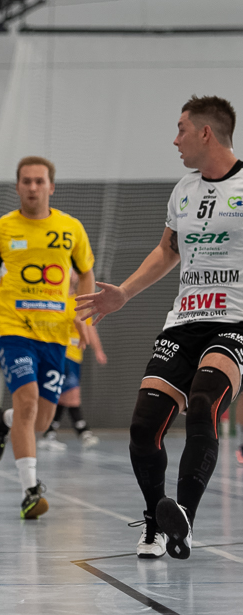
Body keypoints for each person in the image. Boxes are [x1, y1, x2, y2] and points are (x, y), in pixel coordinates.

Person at [77, 95, 243, 560]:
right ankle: (157, 519)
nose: (175, 140)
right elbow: (168, 250)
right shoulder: (184, 189)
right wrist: (123, 293)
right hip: (183, 321)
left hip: (234, 322)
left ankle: (183, 517)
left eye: (181, 129)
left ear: (206, 132)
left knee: (204, 402)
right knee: (142, 428)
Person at [0, 156, 96, 520]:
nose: (33, 187)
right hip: (14, 328)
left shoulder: (71, 228)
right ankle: (30, 492)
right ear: (18, 186)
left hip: (57, 333)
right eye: (26, 181)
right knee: (28, 399)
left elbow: (86, 273)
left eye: (39, 181)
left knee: (39, 420)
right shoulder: (1, 229)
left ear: (51, 186)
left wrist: (83, 315)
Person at [39, 277, 108, 450]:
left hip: (76, 355)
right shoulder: (56, 298)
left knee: (64, 395)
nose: (74, 273)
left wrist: (98, 350)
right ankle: (83, 431)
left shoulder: (80, 300)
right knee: (72, 394)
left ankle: (49, 432)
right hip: (62, 354)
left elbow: (89, 327)